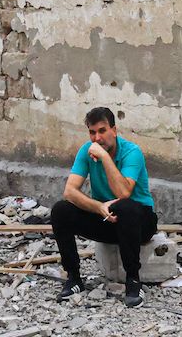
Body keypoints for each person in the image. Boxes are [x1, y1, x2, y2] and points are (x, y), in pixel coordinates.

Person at [49, 105, 158, 307]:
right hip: (108, 218)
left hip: (140, 222)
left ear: (114, 131)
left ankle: (133, 281)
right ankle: (73, 278)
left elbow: (123, 193)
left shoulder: (132, 152)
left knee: (126, 206)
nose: (97, 138)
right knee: (60, 210)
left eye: (102, 131)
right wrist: (99, 207)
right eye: (92, 132)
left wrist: (106, 157)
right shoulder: (86, 151)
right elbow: (70, 191)